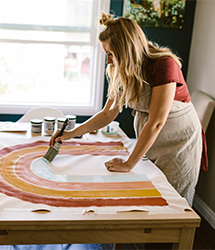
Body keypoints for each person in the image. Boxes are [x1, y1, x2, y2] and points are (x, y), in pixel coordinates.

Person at [50, 12, 205, 206]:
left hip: (179, 145)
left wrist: (129, 163)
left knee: (172, 203)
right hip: (154, 142)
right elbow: (108, 114)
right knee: (149, 198)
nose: (108, 61)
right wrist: (70, 134)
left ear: (126, 51)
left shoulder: (165, 66)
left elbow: (156, 122)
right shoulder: (124, 70)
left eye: (110, 54)